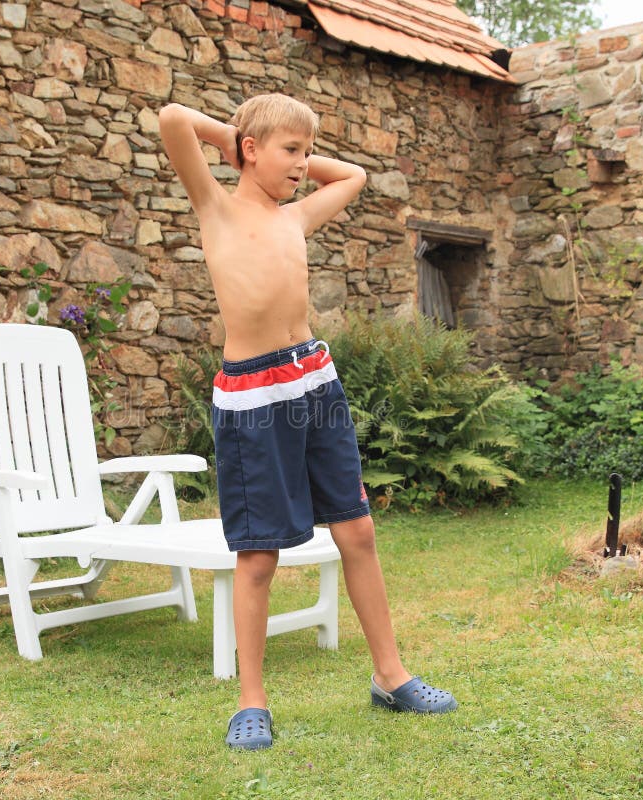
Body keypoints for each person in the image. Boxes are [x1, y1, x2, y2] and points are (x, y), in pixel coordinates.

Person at [158, 94, 457, 750]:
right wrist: (242, 136)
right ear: (249, 151)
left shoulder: (296, 216)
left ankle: (391, 676)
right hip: (252, 397)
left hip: (314, 381)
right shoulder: (216, 207)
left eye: (305, 151)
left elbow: (352, 176)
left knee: (357, 529)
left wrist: (289, 151)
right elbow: (174, 119)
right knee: (258, 554)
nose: (301, 165)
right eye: (289, 152)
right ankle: (251, 702)